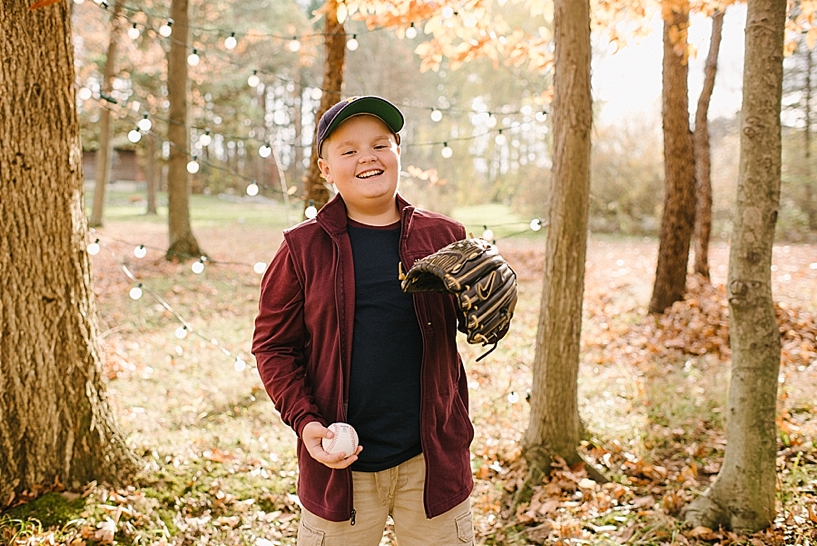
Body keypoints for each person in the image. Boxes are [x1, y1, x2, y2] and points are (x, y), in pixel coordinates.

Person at [252, 95, 485, 545]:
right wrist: (306, 423)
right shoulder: (303, 249)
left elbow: (470, 322)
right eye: (349, 150)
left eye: (380, 144)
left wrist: (487, 313)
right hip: (340, 469)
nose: (367, 158)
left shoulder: (445, 237)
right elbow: (273, 347)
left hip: (431, 463)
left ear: (398, 152)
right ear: (326, 169)